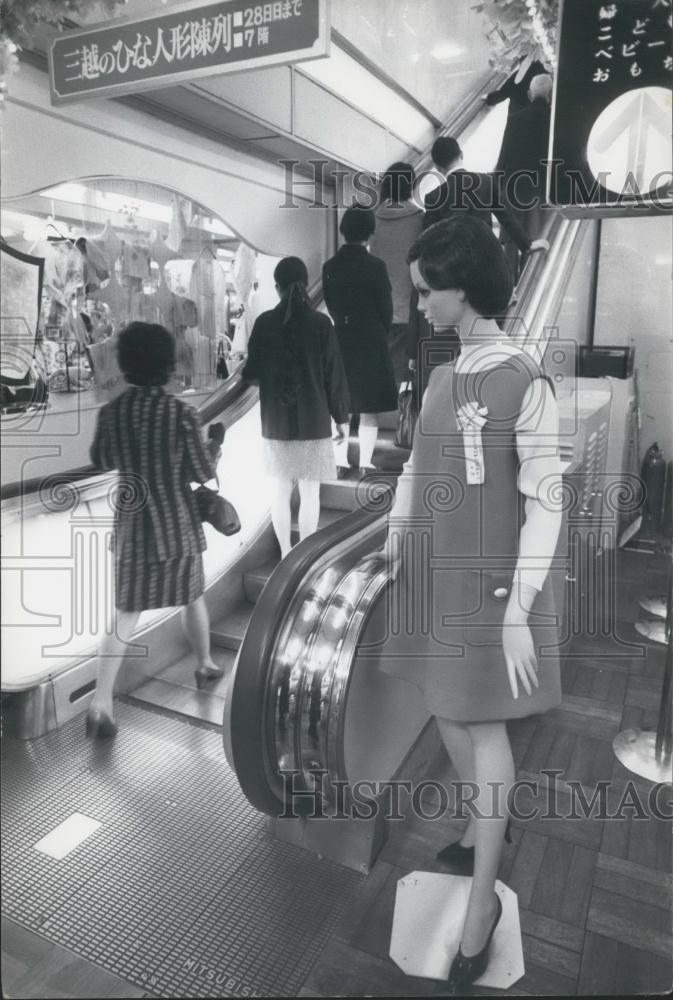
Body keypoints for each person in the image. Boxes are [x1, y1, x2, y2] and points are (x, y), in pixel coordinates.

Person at [382, 216, 563, 992]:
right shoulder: (445, 373)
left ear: (464, 288)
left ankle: (483, 901)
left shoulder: (522, 377)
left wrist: (519, 604)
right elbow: (420, 466)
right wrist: (396, 526)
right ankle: (480, 825)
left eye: (427, 289)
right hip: (435, 568)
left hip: (484, 582)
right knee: (449, 712)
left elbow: (546, 498)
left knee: (475, 722)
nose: (418, 302)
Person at [87, 322, 224, 739]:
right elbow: (202, 471)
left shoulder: (112, 412)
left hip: (132, 526)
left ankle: (100, 702)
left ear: (126, 363)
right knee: (192, 595)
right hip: (175, 524)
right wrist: (214, 446)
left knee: (126, 612)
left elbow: (101, 459)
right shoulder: (181, 413)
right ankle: (204, 664)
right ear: (167, 363)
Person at [242, 256, 350, 558]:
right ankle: (304, 556)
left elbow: (251, 374)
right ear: (305, 285)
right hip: (314, 420)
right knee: (310, 490)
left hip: (275, 422)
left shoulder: (264, 323)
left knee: (280, 490)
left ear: (276, 288)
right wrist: (341, 418)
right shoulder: (321, 324)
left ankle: (286, 553)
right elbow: (333, 375)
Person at [322, 206, 398, 476]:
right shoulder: (376, 266)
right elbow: (386, 308)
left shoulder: (330, 267)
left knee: (342, 405)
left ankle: (341, 462)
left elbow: (331, 304)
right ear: (370, 233)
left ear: (343, 231)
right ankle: (365, 462)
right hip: (371, 340)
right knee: (369, 407)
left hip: (342, 338)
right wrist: (379, 330)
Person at [369, 162, 424, 386]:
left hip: (377, 311)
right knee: (403, 378)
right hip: (408, 310)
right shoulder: (420, 218)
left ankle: (385, 419)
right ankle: (399, 420)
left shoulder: (372, 218)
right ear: (411, 185)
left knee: (382, 376)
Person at [495, 74, 554, 241]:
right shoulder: (554, 120)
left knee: (512, 242)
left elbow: (504, 156)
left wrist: (497, 186)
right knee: (538, 240)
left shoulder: (514, 119)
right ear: (550, 95)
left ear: (529, 94)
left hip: (514, 188)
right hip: (542, 190)